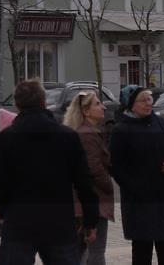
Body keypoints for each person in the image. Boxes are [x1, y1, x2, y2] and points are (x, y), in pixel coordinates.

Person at [0, 79, 99, 265]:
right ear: (44, 101)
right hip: (59, 221)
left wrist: (1, 208)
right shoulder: (68, 137)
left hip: (19, 221)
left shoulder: (5, 138)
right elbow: (84, 182)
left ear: (17, 104)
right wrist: (90, 221)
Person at [110, 86, 164, 265]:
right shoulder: (122, 129)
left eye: (149, 99)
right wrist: (134, 187)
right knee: (142, 250)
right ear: (132, 105)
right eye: (143, 100)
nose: (148, 103)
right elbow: (115, 166)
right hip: (140, 200)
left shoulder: (162, 123)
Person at [65, 91, 115, 265]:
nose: (103, 107)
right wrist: (108, 184)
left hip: (84, 202)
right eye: (97, 104)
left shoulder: (86, 132)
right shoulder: (87, 134)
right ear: (86, 111)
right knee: (95, 253)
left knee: (82, 253)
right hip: (93, 203)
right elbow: (93, 168)